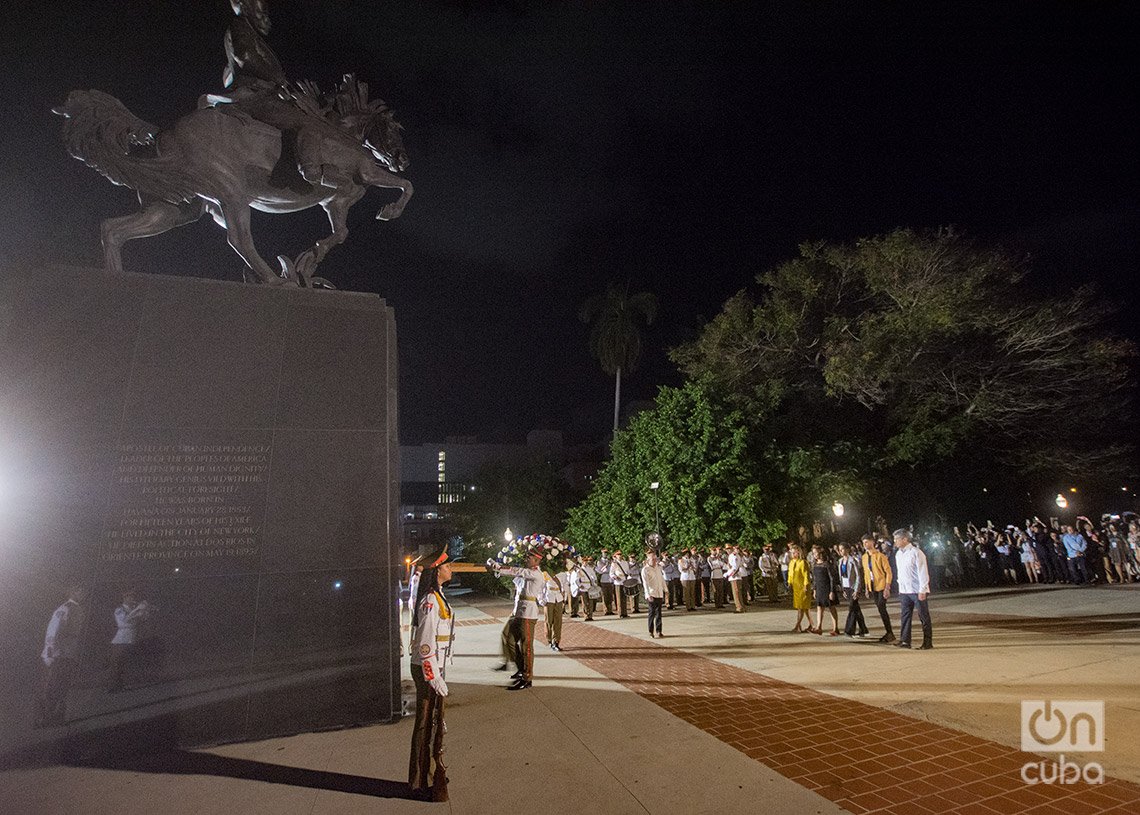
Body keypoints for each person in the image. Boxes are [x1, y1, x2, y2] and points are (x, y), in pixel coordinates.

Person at [409, 545, 455, 801]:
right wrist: (432, 674)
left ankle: (427, 775)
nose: (451, 569)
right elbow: (425, 641)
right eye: (447, 566)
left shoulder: (437, 595)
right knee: (425, 726)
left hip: (436, 666)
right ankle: (419, 781)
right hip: (428, 667)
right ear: (437, 571)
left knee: (434, 725)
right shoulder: (429, 600)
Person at [492, 548, 545, 689]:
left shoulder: (535, 574)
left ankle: (527, 678)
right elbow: (516, 575)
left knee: (526, 646)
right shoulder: (527, 573)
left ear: (537, 560)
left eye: (530, 557)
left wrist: (499, 567)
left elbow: (517, 571)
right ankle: (521, 669)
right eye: (527, 556)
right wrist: (497, 570)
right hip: (518, 611)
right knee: (508, 638)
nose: (526, 558)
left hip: (528, 613)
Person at [35, 586, 87, 728]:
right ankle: (44, 718)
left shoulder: (79, 610)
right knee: (50, 687)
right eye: (79, 590)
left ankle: (57, 716)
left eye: (83, 591)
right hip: (57, 654)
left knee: (63, 686)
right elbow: (52, 632)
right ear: (70, 592)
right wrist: (49, 655)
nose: (83, 593)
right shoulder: (64, 609)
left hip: (68, 654)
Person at [893, 528, 932, 649]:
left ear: (905, 539)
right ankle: (905, 640)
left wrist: (923, 589)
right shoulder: (898, 554)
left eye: (897, 539)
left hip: (917, 590)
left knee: (923, 616)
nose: (895, 542)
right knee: (905, 616)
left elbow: (923, 571)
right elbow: (900, 572)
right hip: (904, 590)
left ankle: (927, 642)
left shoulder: (916, 552)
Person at [109, 590, 155, 692]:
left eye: (132, 597)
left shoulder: (133, 609)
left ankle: (122, 685)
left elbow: (144, 619)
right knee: (117, 664)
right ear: (124, 598)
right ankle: (113, 686)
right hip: (120, 641)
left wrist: (145, 610)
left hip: (131, 639)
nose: (132, 599)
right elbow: (123, 623)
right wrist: (137, 610)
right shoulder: (119, 609)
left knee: (126, 663)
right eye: (129, 597)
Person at [861, 534, 895, 643]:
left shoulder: (880, 556)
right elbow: (866, 573)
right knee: (880, 608)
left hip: (881, 585)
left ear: (872, 542)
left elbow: (888, 572)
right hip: (872, 586)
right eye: (863, 543)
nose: (865, 544)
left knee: (881, 606)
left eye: (867, 542)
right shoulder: (864, 557)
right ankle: (888, 631)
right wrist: (866, 587)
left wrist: (887, 587)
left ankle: (889, 632)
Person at [836, 543, 867, 638]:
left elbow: (858, 575)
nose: (841, 551)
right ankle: (863, 629)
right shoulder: (840, 561)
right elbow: (841, 575)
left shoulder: (853, 560)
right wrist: (843, 589)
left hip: (853, 586)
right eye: (839, 550)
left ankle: (849, 630)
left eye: (842, 549)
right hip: (846, 586)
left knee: (852, 608)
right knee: (856, 609)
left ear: (847, 549)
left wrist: (857, 589)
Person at [810, 547, 840, 635]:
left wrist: (832, 591)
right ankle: (819, 627)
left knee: (831, 607)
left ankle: (835, 628)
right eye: (813, 553)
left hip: (827, 588)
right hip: (819, 588)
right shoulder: (815, 565)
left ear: (820, 553)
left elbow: (832, 578)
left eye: (815, 553)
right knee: (819, 607)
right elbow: (815, 579)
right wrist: (814, 589)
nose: (814, 555)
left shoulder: (827, 564)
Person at [641, 551, 667, 638]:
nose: (655, 560)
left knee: (659, 613)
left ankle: (659, 631)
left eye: (655, 559)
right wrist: (648, 595)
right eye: (652, 559)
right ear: (648, 559)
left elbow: (662, 579)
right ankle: (650, 631)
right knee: (652, 613)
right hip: (651, 594)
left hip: (659, 593)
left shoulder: (658, 568)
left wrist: (665, 589)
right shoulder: (645, 570)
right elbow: (645, 583)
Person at [786, 545, 812, 633]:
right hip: (795, 587)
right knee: (803, 608)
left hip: (802, 587)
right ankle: (811, 624)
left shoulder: (803, 562)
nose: (793, 554)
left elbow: (806, 575)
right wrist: (789, 582)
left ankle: (797, 626)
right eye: (792, 553)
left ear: (799, 552)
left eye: (795, 552)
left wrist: (806, 586)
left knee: (801, 607)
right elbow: (790, 573)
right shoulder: (791, 562)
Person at [542, 566, 566, 651]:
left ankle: (556, 641)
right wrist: (541, 599)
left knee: (558, 621)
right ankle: (549, 639)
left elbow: (564, 585)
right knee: (548, 620)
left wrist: (564, 598)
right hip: (549, 597)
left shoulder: (563, 573)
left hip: (558, 598)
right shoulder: (546, 572)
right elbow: (542, 586)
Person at [726, 545, 746, 613]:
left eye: (729, 549)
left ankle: (739, 608)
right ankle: (741, 607)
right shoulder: (736, 555)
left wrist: (730, 574)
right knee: (738, 593)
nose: (728, 550)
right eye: (727, 549)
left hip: (735, 577)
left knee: (736, 593)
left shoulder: (733, 556)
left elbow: (735, 567)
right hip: (736, 576)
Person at [597, 549, 616, 615]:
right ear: (602, 553)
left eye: (606, 553)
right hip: (604, 578)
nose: (605, 554)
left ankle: (610, 610)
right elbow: (599, 571)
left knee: (610, 596)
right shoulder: (600, 561)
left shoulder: (610, 561)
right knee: (605, 595)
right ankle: (606, 610)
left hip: (610, 579)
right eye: (604, 553)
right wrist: (605, 566)